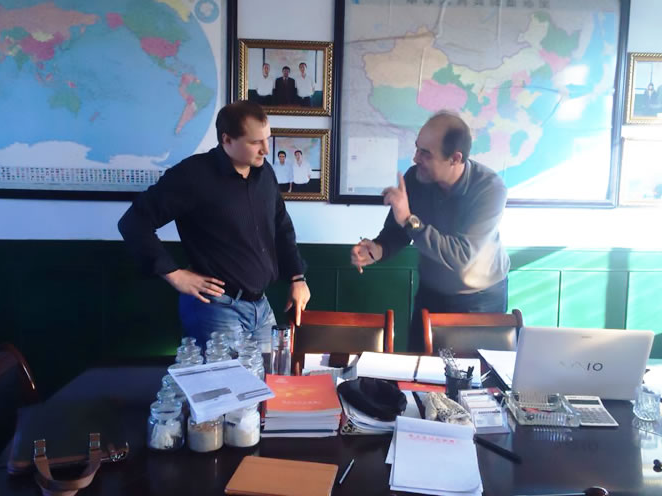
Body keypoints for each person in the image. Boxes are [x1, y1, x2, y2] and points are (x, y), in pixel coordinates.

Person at [118, 100, 311, 351]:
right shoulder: (192, 175)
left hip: (261, 307)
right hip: (216, 309)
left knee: (270, 374)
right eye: (255, 142)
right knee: (225, 379)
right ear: (227, 140)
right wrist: (174, 274)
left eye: (267, 138)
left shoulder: (265, 173)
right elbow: (134, 222)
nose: (266, 149)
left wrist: (297, 277)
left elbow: (281, 226)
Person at [350, 112, 510, 352]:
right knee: (418, 368)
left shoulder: (490, 188)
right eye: (417, 149)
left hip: (480, 300)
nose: (415, 158)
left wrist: (408, 219)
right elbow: (397, 232)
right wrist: (376, 250)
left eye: (425, 153)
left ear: (455, 158)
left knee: (475, 374)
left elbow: (461, 256)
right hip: (430, 294)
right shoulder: (415, 178)